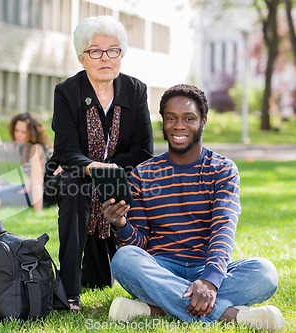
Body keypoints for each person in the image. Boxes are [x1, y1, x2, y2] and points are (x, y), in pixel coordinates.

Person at [103, 84, 284, 332]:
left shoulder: (222, 170)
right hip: (161, 266)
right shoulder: (142, 175)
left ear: (203, 122)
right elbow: (140, 245)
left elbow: (224, 228)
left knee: (265, 273)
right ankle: (232, 316)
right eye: (171, 118)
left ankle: (153, 308)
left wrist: (209, 280)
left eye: (189, 118)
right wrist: (120, 225)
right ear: (163, 123)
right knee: (124, 259)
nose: (179, 126)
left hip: (207, 265)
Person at [44, 15, 154, 310]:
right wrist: (93, 167)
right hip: (76, 174)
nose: (105, 58)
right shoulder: (67, 92)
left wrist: (109, 168)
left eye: (113, 50)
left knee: (102, 279)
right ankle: (68, 288)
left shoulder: (136, 90)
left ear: (122, 54)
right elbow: (67, 150)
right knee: (73, 185)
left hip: (120, 176)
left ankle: (144, 272)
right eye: (95, 51)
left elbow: (144, 151)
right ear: (82, 58)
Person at [0, 112, 52, 211]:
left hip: (44, 194)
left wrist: (38, 212)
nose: (18, 134)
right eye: (16, 130)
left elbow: (37, 182)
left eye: (23, 132)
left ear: (32, 133)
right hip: (32, 189)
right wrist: (25, 189)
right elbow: (32, 177)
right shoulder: (23, 147)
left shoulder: (35, 149)